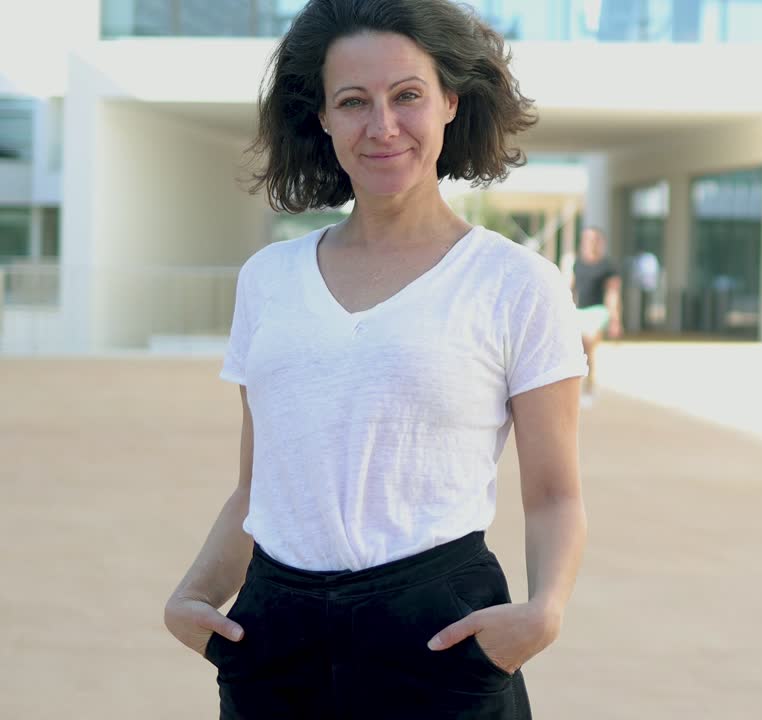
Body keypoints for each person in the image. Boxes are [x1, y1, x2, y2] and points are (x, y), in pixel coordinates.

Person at [161, 2, 588, 718]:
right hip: (276, 638)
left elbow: (554, 494)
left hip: (439, 637)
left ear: (451, 101)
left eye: (408, 96)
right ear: (322, 118)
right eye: (353, 101)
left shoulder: (517, 285)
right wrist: (193, 594)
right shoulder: (268, 280)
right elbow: (255, 486)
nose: (382, 126)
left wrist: (543, 613)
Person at [569, 227, 621, 406]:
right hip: (579, 311)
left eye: (593, 239)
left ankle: (589, 385)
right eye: (586, 239)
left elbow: (613, 293)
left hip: (598, 311)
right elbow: (570, 290)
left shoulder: (608, 266)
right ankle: (583, 384)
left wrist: (614, 319)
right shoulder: (577, 264)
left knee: (589, 343)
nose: (590, 242)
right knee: (580, 349)